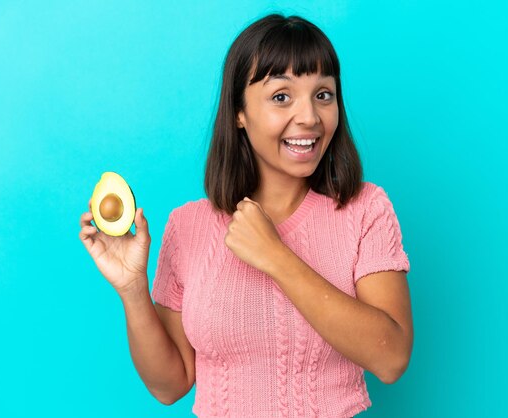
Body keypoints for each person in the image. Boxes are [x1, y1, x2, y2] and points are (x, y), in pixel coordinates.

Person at [79, 13, 413, 418]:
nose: (309, 116)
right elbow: (171, 385)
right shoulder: (188, 226)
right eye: (281, 96)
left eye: (323, 95)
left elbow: (391, 357)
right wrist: (132, 287)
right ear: (240, 111)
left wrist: (276, 257)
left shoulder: (365, 209)